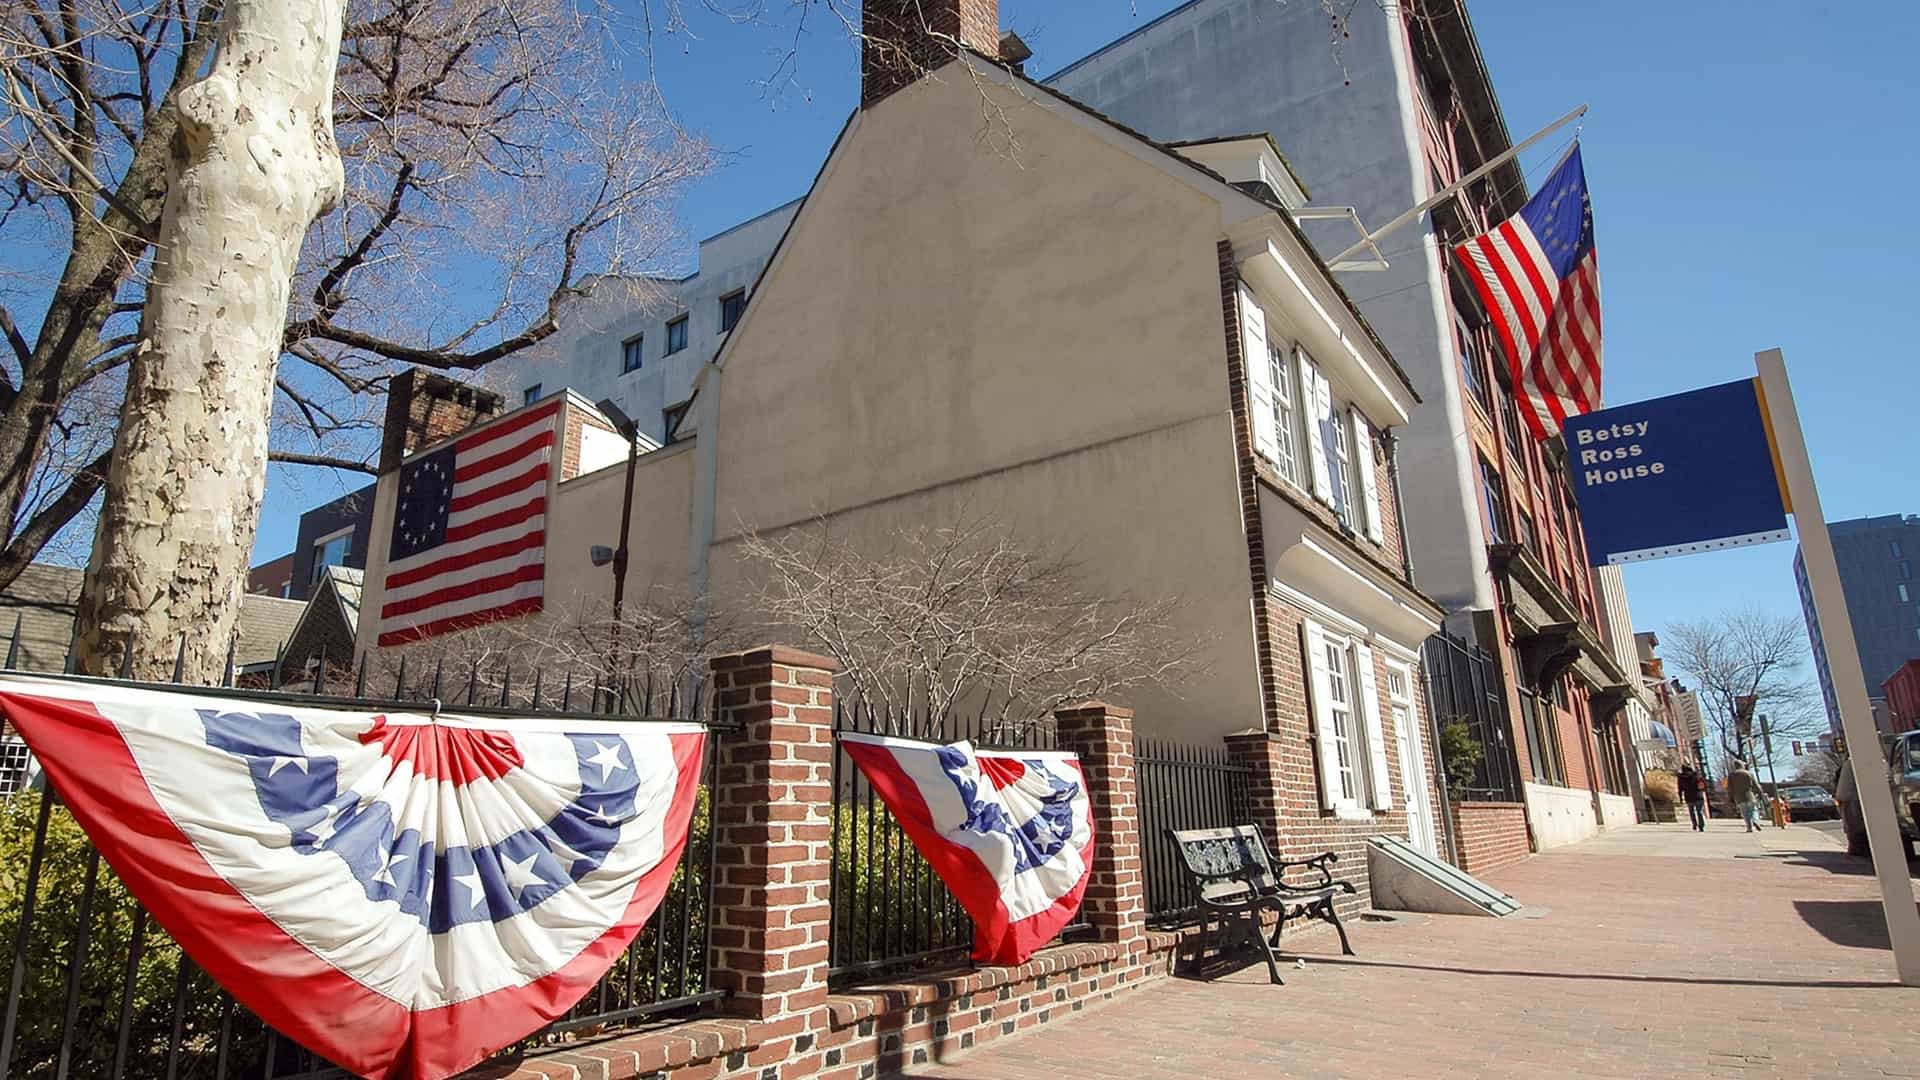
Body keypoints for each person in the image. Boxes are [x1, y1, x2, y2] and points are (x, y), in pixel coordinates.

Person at [1727, 761, 1765, 833]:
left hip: (1739, 797)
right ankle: (1755, 820)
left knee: (1745, 813)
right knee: (1753, 810)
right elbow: (1756, 785)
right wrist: (1760, 793)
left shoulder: (1731, 775)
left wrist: (1730, 797)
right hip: (1749, 795)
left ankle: (1749, 827)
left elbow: (1730, 788)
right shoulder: (1749, 773)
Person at [1677, 763, 1707, 831]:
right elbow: (1702, 784)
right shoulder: (1696, 775)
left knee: (1691, 811)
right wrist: (1702, 790)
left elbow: (1680, 788)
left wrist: (1680, 798)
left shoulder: (1681, 778)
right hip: (1698, 795)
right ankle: (1701, 826)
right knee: (1699, 811)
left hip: (1688, 797)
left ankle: (1694, 824)